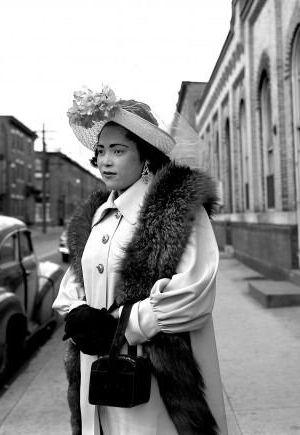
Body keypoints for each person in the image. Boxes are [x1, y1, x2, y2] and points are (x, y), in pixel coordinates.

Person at [53, 85, 228, 435]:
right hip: (96, 375)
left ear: (145, 156)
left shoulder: (176, 210)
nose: (104, 160)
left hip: (154, 382)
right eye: (101, 150)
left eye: (118, 150)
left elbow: (195, 293)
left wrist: (122, 327)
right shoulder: (93, 215)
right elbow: (74, 283)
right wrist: (76, 313)